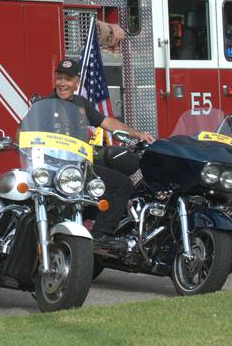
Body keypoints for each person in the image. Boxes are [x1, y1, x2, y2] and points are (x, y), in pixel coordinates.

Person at [48, 56, 154, 243]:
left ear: (76, 82)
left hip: (81, 164)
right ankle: (101, 234)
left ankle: (104, 227)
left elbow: (107, 122)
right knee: (123, 185)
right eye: (60, 78)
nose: (62, 83)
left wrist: (137, 134)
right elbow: (23, 131)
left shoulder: (81, 103)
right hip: (59, 168)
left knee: (124, 173)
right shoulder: (46, 104)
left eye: (68, 79)